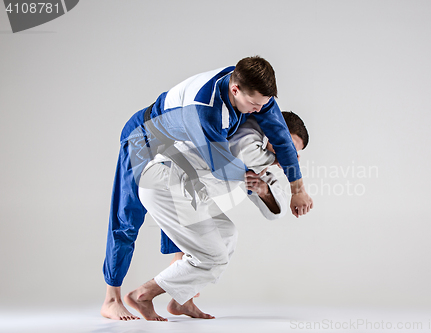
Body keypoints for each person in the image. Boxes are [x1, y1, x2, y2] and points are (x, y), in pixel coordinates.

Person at [101, 56, 313, 320]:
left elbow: (281, 140)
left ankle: (181, 298)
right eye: (255, 105)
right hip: (144, 137)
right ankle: (112, 298)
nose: (259, 111)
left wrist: (297, 188)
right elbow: (223, 166)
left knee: (192, 218)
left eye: (264, 105)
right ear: (236, 90)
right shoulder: (207, 111)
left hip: (178, 153)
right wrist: (266, 169)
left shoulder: (256, 95)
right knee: (127, 217)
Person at [124, 112, 309, 321]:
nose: (288, 154)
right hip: (165, 181)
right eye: (288, 147)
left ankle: (181, 300)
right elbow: (245, 152)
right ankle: (143, 295)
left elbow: (277, 211)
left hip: (188, 192)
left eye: (294, 152)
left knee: (227, 234)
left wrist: (264, 191)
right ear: (275, 132)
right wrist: (286, 165)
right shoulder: (247, 133)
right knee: (213, 256)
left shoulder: (261, 159)